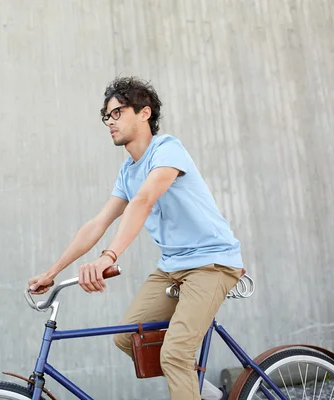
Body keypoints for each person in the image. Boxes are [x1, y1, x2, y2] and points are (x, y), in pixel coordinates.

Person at [27, 77, 243, 400]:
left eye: (118, 113)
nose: (110, 122)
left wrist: (108, 256)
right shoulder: (128, 171)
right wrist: (52, 272)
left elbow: (144, 201)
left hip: (212, 263)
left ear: (145, 113)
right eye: (107, 116)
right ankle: (206, 395)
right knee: (129, 337)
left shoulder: (167, 150)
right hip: (173, 267)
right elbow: (97, 223)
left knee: (174, 354)